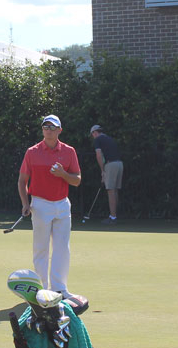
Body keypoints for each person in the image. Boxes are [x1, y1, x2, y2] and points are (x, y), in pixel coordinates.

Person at [18, 115, 81, 297]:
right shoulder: (32, 152)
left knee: (62, 247)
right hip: (40, 204)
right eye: (46, 127)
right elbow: (22, 181)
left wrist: (63, 174)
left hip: (62, 204)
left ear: (59, 130)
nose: (49, 130)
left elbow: (76, 180)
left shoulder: (69, 152)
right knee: (41, 248)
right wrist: (25, 203)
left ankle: (60, 288)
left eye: (53, 128)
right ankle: (41, 290)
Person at [90, 124, 123, 224]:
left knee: (110, 190)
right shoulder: (109, 139)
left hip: (110, 165)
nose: (93, 137)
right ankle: (115, 215)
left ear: (95, 132)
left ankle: (113, 217)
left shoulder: (97, 140)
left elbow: (99, 155)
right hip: (119, 164)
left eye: (92, 134)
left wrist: (102, 170)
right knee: (115, 190)